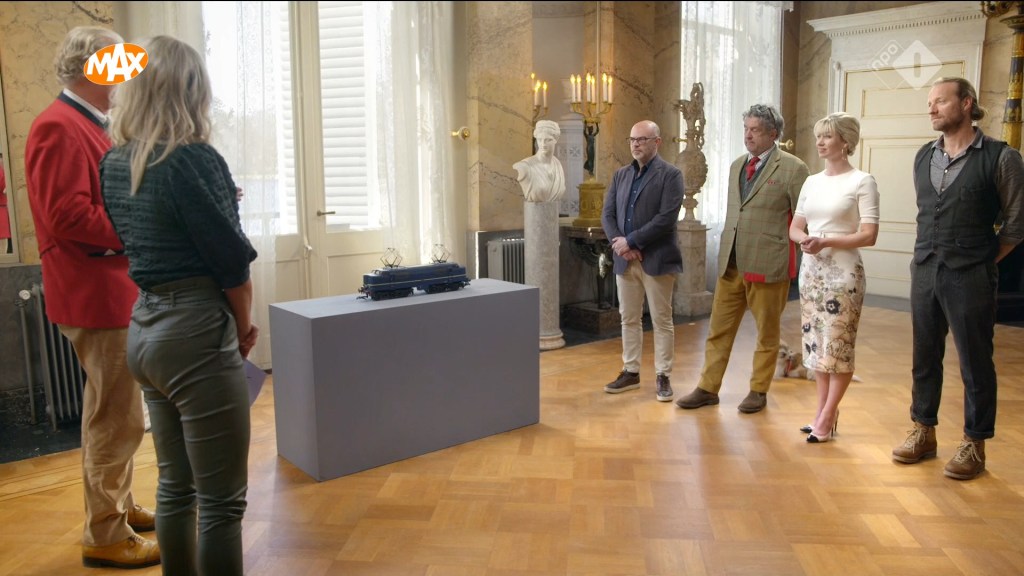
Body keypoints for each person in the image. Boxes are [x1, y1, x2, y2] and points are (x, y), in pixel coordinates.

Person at [100, 35, 258, 574]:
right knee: (222, 503)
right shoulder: (192, 157)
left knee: (175, 485)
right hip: (194, 331)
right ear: (191, 90)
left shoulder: (115, 161)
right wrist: (244, 326)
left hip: (144, 327)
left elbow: (144, 233)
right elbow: (232, 262)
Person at [24, 26, 160, 569]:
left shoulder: (89, 121)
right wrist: (141, 225)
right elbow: (67, 215)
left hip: (107, 290)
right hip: (93, 294)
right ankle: (105, 533)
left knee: (115, 411)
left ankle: (117, 507)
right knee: (115, 418)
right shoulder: (58, 125)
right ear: (94, 68)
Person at [892, 77, 1024, 480]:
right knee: (924, 356)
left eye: (940, 101)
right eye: (930, 103)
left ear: (967, 104)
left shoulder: (1002, 158)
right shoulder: (923, 156)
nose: (931, 109)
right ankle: (923, 430)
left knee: (975, 362)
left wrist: (982, 260)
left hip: (971, 274)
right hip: (925, 268)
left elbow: (1016, 226)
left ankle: (974, 443)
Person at [676, 104, 810, 414]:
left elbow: (804, 219)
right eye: (746, 129)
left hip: (768, 264)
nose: (748, 135)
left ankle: (758, 391)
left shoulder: (793, 168)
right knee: (718, 330)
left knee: (767, 333)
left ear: (773, 134)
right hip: (731, 262)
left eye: (755, 130)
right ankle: (708, 388)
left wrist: (794, 254)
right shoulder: (737, 165)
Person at [788, 112, 879, 443]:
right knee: (817, 346)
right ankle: (822, 413)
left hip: (844, 276)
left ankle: (826, 417)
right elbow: (795, 228)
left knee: (838, 347)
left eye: (827, 136)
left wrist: (825, 241)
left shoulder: (862, 181)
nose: (820, 142)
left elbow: (869, 234)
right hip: (811, 274)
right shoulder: (811, 182)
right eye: (819, 136)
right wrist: (806, 240)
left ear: (846, 141)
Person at [601, 120, 684, 402]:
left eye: (642, 139)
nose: (636, 144)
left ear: (657, 142)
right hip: (625, 260)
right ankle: (631, 371)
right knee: (628, 318)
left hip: (657, 258)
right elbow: (607, 215)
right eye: (632, 139)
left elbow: (666, 218)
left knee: (662, 320)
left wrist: (632, 241)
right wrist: (621, 245)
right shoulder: (620, 175)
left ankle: (663, 376)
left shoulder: (671, 175)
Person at [514, 120, 566, 203]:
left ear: (556, 140)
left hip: (553, 209)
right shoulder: (525, 166)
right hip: (535, 209)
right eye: (539, 139)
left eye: (548, 140)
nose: (543, 144)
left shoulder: (558, 164)